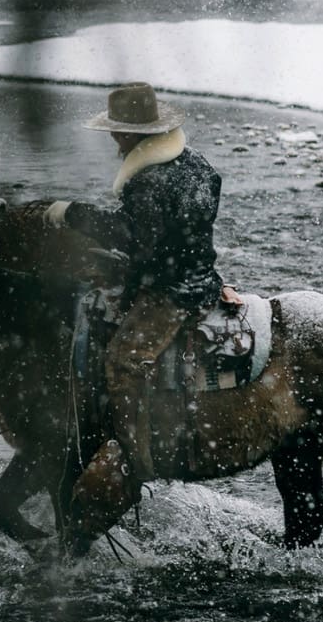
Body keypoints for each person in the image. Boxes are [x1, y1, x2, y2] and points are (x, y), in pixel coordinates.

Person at [47, 82, 222, 525]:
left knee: (125, 358)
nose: (113, 139)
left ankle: (132, 459)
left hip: (171, 291)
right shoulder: (193, 163)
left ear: (134, 135)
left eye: (118, 132)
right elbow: (174, 237)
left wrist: (73, 215)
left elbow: (136, 241)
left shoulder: (147, 179)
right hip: (201, 277)